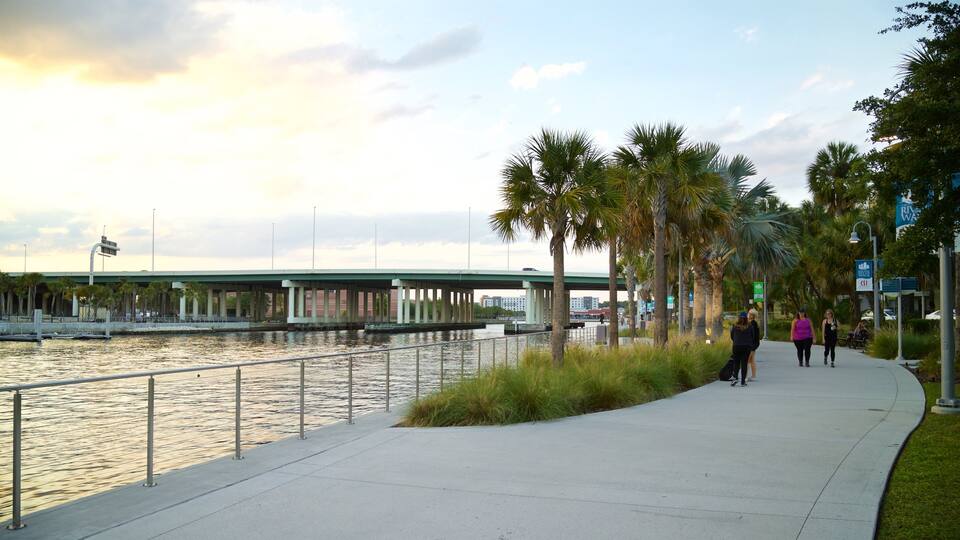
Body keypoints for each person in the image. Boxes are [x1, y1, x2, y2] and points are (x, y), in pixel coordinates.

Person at [730, 311, 755, 387]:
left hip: (736, 346)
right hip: (746, 347)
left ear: (739, 318)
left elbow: (732, 336)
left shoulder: (735, 326)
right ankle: (743, 382)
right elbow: (752, 336)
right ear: (746, 318)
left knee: (736, 363)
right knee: (744, 363)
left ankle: (735, 378)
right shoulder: (750, 326)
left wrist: (736, 341)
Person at [747, 309, 761, 380]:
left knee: (747, 359)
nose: (749, 315)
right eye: (749, 313)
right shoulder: (754, 323)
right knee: (752, 360)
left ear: (754, 316)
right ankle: (753, 376)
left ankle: (746, 376)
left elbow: (752, 335)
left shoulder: (753, 323)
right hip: (755, 343)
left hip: (752, 344)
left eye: (751, 314)